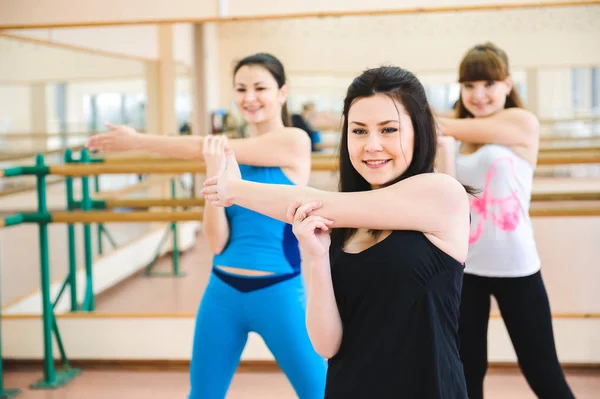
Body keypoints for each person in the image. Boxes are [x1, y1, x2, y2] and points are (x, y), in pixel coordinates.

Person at [201, 66, 473, 398]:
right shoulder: (343, 224)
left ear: (419, 131)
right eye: (359, 131)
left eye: (389, 130)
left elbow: (314, 202)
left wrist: (234, 190)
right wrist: (314, 257)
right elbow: (327, 344)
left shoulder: (441, 194)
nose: (372, 145)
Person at [86, 53, 327, 399]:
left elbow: (202, 146)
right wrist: (214, 172)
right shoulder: (223, 155)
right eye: (241, 88)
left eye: (261, 87)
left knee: (319, 392)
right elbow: (216, 243)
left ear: (282, 92)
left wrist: (138, 141)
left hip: (280, 294)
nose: (250, 97)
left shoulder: (293, 141)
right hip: (222, 294)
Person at [436, 42, 575, 399]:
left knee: (541, 371)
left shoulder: (522, 122)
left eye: (488, 84)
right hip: (465, 267)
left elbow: (446, 124)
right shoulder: (454, 137)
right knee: (467, 372)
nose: (478, 94)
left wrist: (424, 119)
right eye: (469, 86)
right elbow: (451, 197)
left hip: (517, 268)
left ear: (508, 85)